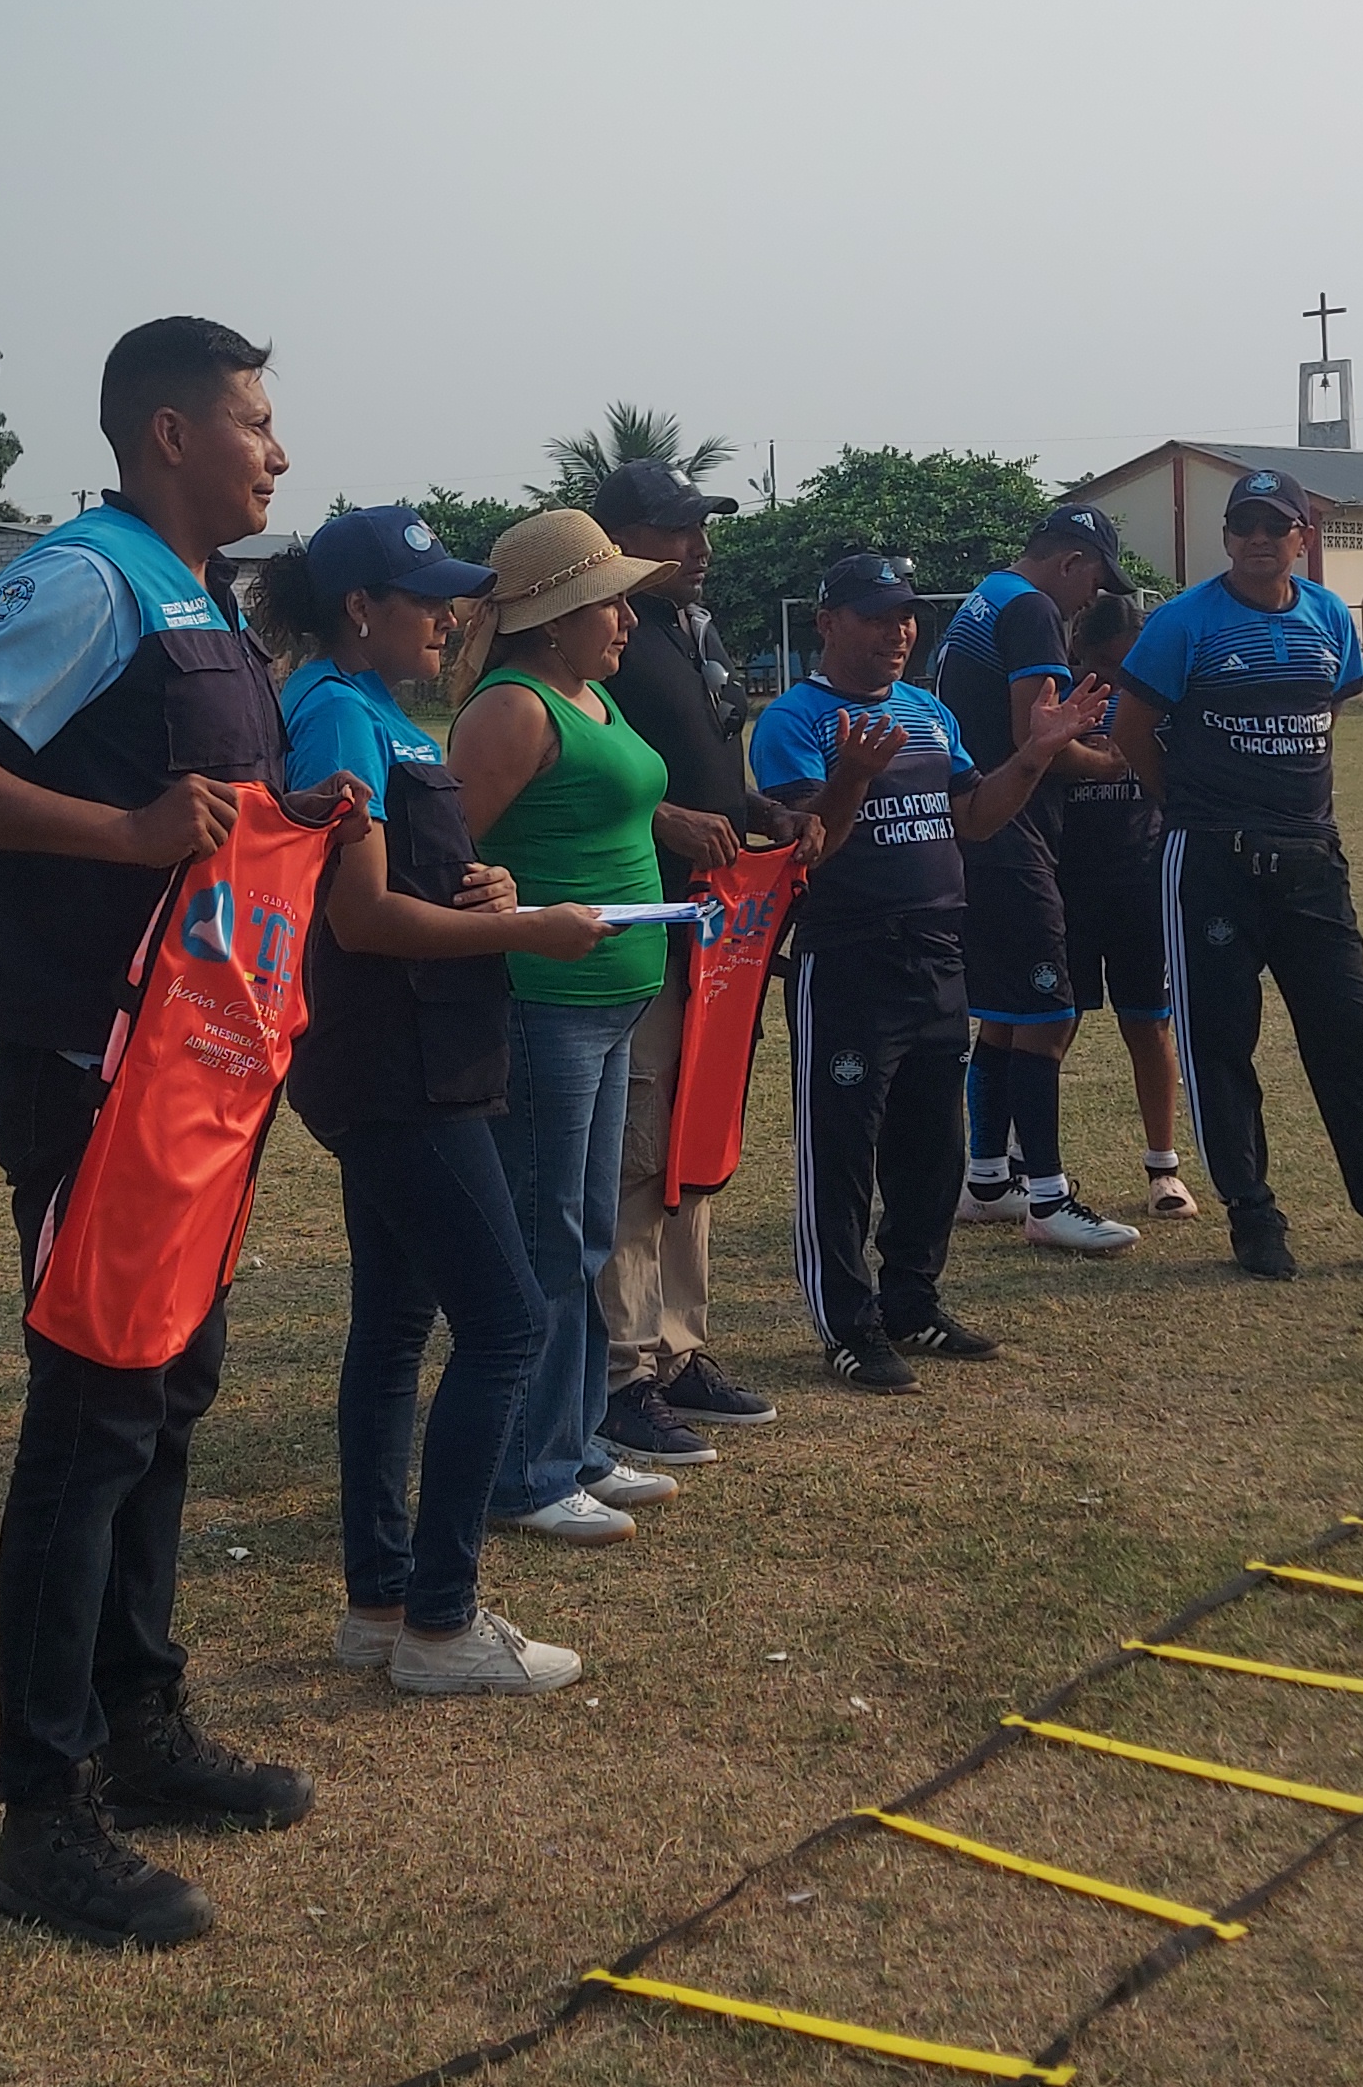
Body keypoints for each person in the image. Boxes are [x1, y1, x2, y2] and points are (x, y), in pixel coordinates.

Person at [0, 316, 318, 1951]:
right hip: (91, 1078)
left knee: (165, 1401)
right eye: (255, 421)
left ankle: (140, 1721)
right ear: (170, 433)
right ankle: (41, 1813)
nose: (278, 451)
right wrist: (123, 833)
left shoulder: (205, 599)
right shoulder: (88, 578)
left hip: (190, 1086)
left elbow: (200, 817)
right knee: (90, 1423)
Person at [260, 506, 615, 1699]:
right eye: (425, 599)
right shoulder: (331, 714)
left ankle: (379, 1604)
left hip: (419, 1051)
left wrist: (484, 889)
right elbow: (356, 917)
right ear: (358, 608)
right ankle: (440, 1621)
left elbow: (401, 880)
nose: (450, 617)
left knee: (396, 1325)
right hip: (395, 1065)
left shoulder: (372, 709)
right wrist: (528, 930)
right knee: (506, 1324)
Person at [1107, 465, 1363, 1283]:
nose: (1258, 539)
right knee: (1222, 1045)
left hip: (1313, 861)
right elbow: (1132, 728)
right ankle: (1254, 1218)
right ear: (1226, 537)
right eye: (1243, 525)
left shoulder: (1328, 615)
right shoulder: (1184, 622)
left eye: (1274, 525)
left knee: (1352, 1042)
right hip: (1212, 859)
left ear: (1302, 537)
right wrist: (1191, 805)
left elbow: (1328, 709)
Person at [746, 550, 1098, 1390]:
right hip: (850, 957)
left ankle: (912, 1301)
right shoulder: (794, 719)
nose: (897, 632)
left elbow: (973, 817)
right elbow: (809, 846)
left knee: (933, 1148)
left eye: (906, 617)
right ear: (827, 624)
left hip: (939, 952)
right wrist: (851, 777)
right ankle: (848, 1324)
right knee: (842, 1151)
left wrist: (1035, 754)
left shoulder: (927, 710)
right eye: (875, 617)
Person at [445, 508, 684, 1546]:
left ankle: (574, 1440)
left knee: (583, 1234)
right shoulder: (513, 707)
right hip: (546, 1007)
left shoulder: (589, 693)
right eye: (611, 603)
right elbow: (443, 853)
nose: (627, 621)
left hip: (609, 1003)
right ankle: (526, 1471)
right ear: (555, 618)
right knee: (548, 1241)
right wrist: (515, 910)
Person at [581, 457, 790, 1457]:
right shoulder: (593, 640)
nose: (699, 546)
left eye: (703, 526)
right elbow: (576, 762)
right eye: (676, 529)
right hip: (638, 929)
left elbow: (697, 762)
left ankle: (676, 1348)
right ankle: (621, 1370)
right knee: (635, 1153)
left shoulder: (678, 628)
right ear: (616, 540)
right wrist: (667, 817)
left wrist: (757, 809)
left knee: (689, 1144)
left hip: (708, 935)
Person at [935, 502, 1148, 1258]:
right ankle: (1050, 1201)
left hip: (978, 824)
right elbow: (1042, 737)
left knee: (1004, 1014)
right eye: (1093, 581)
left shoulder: (985, 595)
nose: (1091, 600)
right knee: (1049, 1013)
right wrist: (1113, 761)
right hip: (1011, 832)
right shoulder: (1029, 611)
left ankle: (989, 1179)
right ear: (1069, 563)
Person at [1053, 585, 1196, 1220]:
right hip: (1068, 886)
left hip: (1140, 883)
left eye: (1125, 664)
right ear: (1077, 651)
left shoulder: (1154, 702)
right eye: (1102, 664)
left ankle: (1163, 1168)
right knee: (1051, 1025)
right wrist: (1093, 760)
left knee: (1147, 1022)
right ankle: (1022, 1161)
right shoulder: (1055, 700)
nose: (1112, 678)